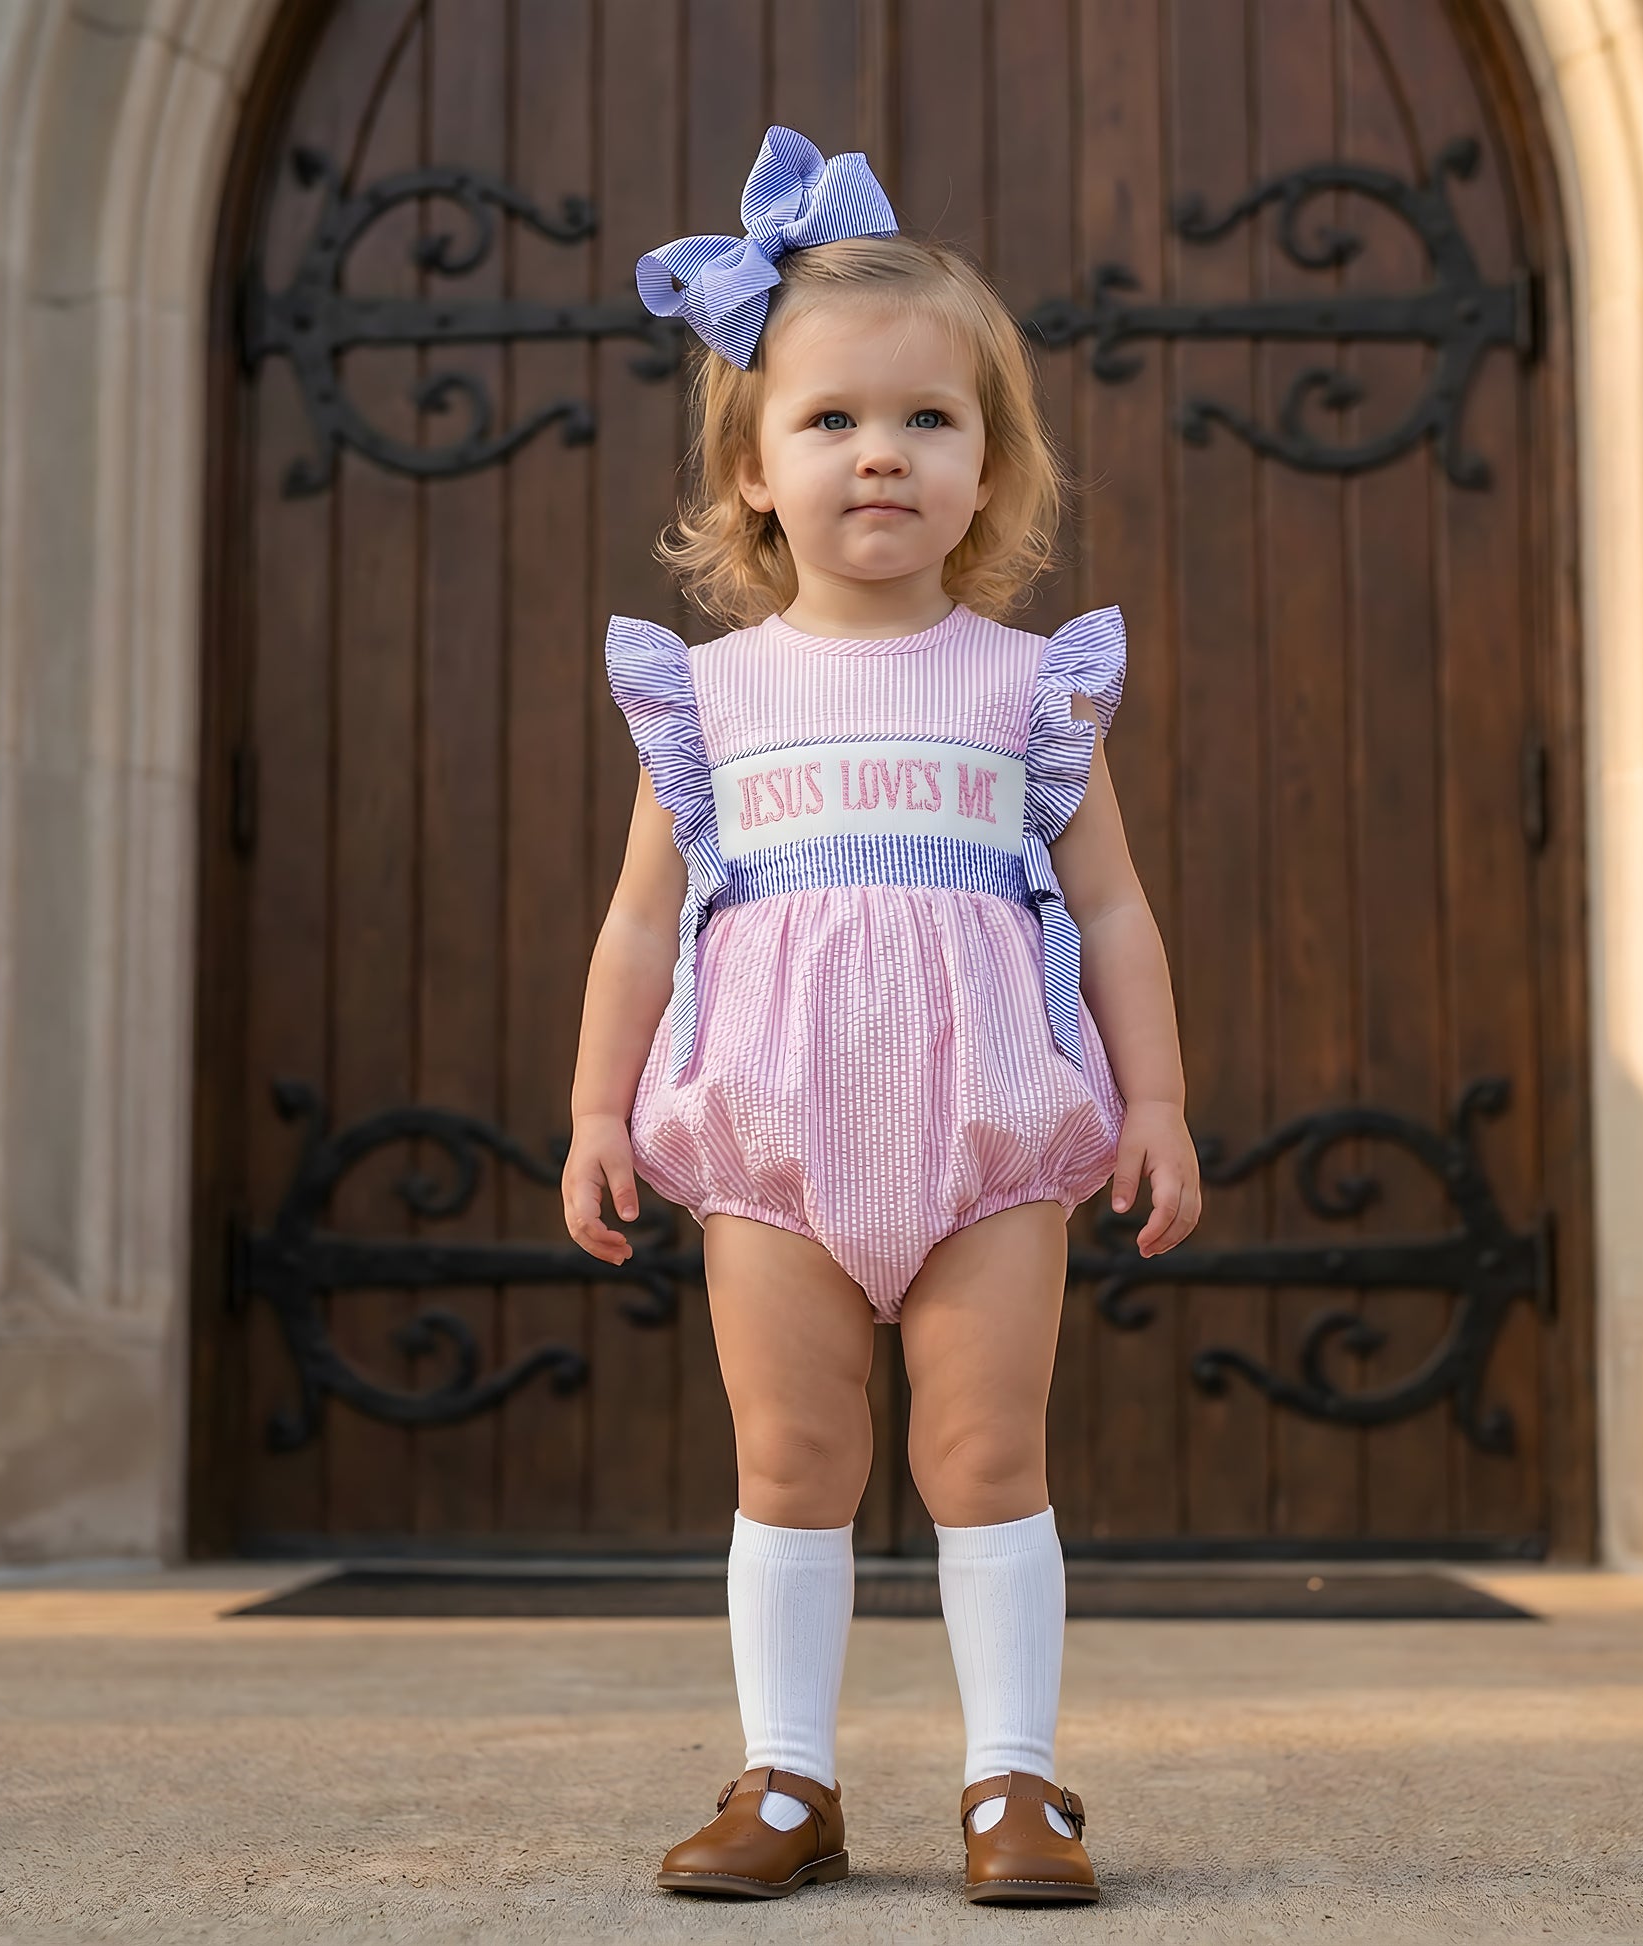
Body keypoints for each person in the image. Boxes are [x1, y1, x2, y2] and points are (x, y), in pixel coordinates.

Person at [561, 124, 1202, 1904]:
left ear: (987, 466)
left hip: (989, 1124)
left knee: (985, 1446)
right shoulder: (709, 699)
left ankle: (1015, 1783)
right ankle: (788, 1780)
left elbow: (1114, 907)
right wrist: (602, 1108)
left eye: (928, 419)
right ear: (752, 468)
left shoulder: (1028, 688)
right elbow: (638, 922)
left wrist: (1152, 1101)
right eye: (831, 419)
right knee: (795, 1452)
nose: (881, 454)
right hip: (767, 1128)